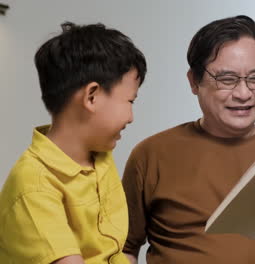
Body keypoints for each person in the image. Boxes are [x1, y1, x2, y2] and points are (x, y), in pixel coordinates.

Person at [122, 15, 255, 264]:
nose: (244, 94)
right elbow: (124, 248)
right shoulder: (151, 154)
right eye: (227, 79)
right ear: (194, 81)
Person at [0, 22, 147, 264]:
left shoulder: (99, 157)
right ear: (92, 96)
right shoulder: (34, 185)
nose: (131, 117)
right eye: (130, 101)